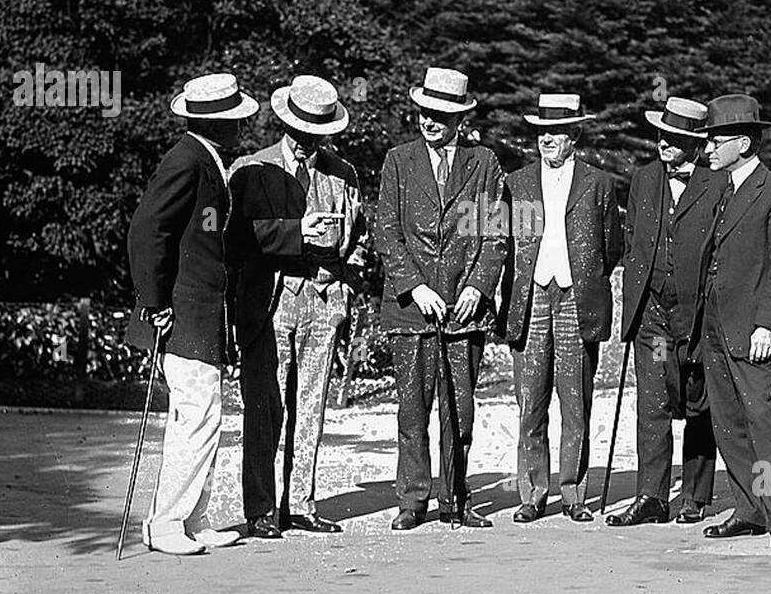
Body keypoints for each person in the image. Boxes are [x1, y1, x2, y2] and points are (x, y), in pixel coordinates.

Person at [229, 75, 366, 540]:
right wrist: (293, 234)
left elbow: (361, 237)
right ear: (286, 122)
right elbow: (236, 240)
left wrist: (345, 273)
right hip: (271, 301)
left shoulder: (342, 174)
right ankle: (262, 508)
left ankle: (301, 502)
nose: (307, 138)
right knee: (265, 405)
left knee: (311, 406)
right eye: (300, 128)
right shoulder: (250, 168)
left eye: (316, 130)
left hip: (324, 301)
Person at [127, 72, 258, 556]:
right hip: (182, 313)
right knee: (195, 416)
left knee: (205, 417)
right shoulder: (186, 161)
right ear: (214, 124)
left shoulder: (206, 159)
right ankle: (165, 524)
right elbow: (147, 231)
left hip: (202, 311)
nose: (241, 128)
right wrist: (153, 301)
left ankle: (193, 518)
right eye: (234, 120)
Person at [375, 67, 507, 530]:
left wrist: (477, 286)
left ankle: (455, 499)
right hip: (412, 308)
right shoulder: (398, 160)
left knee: (461, 411)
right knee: (413, 410)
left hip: (464, 309)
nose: (430, 121)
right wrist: (415, 285)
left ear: (459, 119)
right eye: (425, 112)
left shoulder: (484, 163)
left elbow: (493, 233)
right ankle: (412, 501)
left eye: (441, 115)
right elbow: (386, 232)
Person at [500, 93, 622, 523]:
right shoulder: (517, 184)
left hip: (576, 298)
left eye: (555, 132)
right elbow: (509, 244)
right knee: (530, 401)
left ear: (574, 136)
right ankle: (532, 494)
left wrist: (584, 279)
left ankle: (573, 493)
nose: (546, 139)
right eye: (541, 132)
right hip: (531, 297)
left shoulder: (598, 184)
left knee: (575, 401)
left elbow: (611, 247)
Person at [608, 96, 727, 527]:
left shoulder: (716, 184)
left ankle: (695, 497)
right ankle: (651, 497)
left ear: (695, 145)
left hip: (696, 317)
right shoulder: (644, 179)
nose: (664, 144)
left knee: (698, 402)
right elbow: (630, 239)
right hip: (653, 316)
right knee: (653, 401)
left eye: (675, 139)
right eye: (662, 135)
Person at [698, 93, 771, 547]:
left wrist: (768, 324)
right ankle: (749, 510)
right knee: (727, 421)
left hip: (752, 330)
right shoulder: (721, 189)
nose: (707, 149)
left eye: (716, 141)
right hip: (714, 327)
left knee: (762, 420)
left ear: (742, 143)